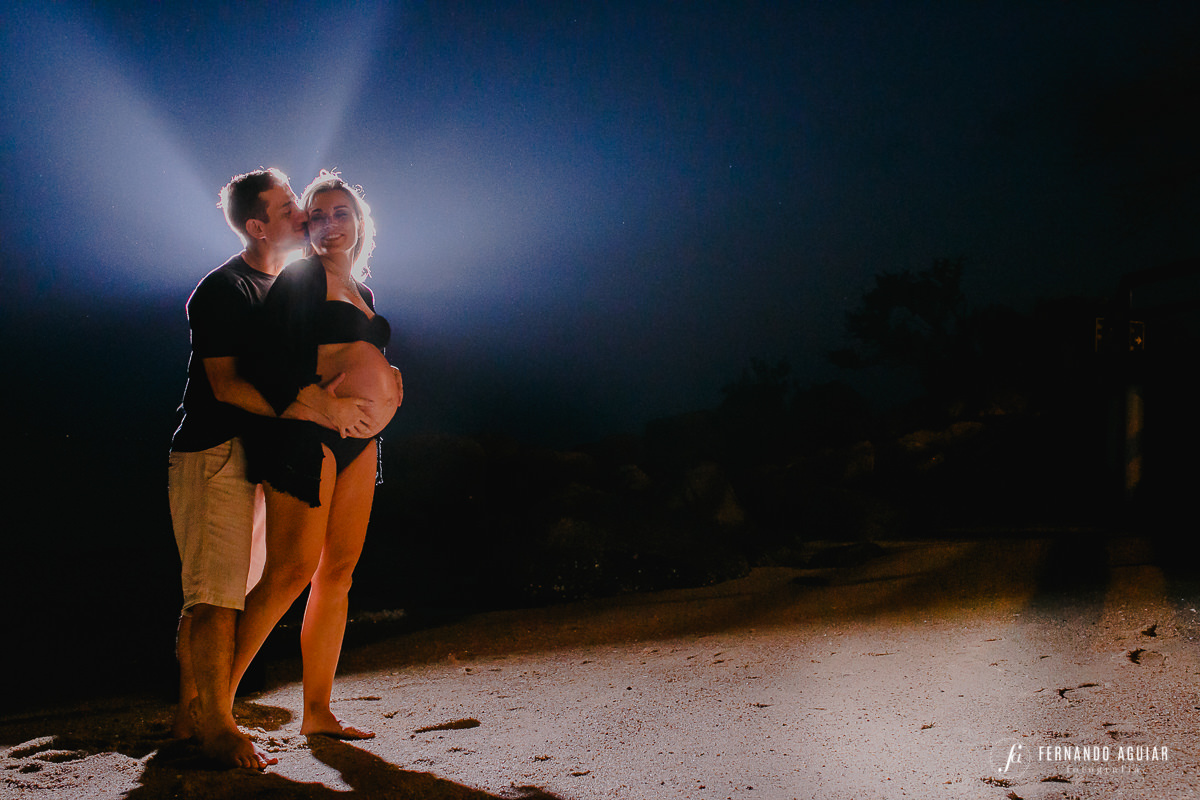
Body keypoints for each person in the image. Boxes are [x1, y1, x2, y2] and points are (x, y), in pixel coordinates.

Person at [168, 168, 375, 769]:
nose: (306, 217)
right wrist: (315, 407)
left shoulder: (285, 281)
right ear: (257, 225)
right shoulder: (228, 288)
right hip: (219, 448)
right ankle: (211, 720)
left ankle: (213, 712)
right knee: (224, 592)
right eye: (294, 208)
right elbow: (229, 382)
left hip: (265, 449)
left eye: (302, 206)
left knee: (260, 584)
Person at [232, 170, 401, 739]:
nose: (330, 224)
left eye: (341, 213)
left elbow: (355, 353)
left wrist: (387, 383)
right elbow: (262, 363)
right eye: (319, 215)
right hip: (311, 434)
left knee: (339, 573)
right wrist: (323, 405)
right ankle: (211, 705)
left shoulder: (364, 292)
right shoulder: (301, 279)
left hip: (361, 443)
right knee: (290, 571)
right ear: (306, 226)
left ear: (359, 221)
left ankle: (317, 714)